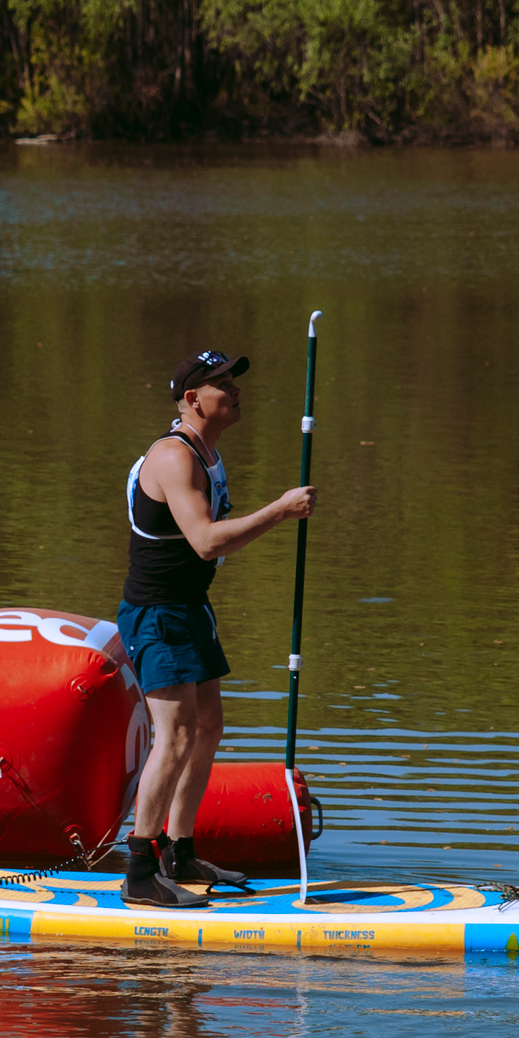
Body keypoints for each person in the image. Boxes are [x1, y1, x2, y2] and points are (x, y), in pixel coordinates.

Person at [116, 347, 316, 907]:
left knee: (208, 727)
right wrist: (279, 511)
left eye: (233, 379)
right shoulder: (174, 457)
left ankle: (180, 851)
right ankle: (138, 871)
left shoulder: (210, 452)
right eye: (220, 382)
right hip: (157, 612)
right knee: (175, 733)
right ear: (191, 398)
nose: (233, 389)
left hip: (190, 608)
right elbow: (205, 540)